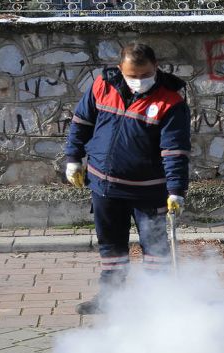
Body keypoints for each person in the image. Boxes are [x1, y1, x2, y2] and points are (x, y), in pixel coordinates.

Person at [64, 43, 191, 315]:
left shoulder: (171, 102)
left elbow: (174, 151)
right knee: (111, 247)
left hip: (149, 192)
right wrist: (73, 159)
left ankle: (158, 301)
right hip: (103, 186)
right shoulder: (103, 86)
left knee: (155, 250)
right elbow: (81, 122)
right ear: (120, 69)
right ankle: (111, 298)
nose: (139, 81)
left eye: (145, 75)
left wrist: (176, 190)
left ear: (156, 67)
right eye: (132, 75)